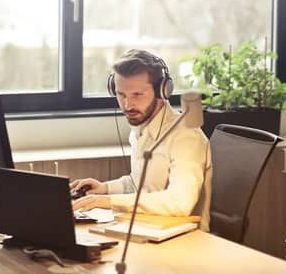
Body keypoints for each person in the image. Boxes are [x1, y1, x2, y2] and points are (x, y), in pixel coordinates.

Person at [71, 49, 212, 231]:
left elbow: (180, 202)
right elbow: (140, 184)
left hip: (185, 237)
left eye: (137, 95)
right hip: (147, 227)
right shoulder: (140, 129)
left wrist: (107, 201)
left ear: (162, 91)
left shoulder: (186, 136)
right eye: (121, 94)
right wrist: (105, 188)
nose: (128, 105)